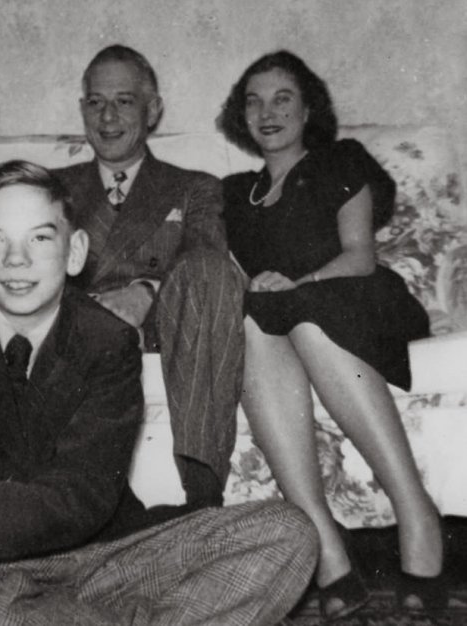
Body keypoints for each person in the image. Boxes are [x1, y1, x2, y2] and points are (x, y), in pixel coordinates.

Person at [0, 160, 319, 624]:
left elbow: (83, 495)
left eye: (39, 237)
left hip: (108, 554)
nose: (17, 260)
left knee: (287, 531)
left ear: (75, 251)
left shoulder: (106, 339)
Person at [217, 50, 444, 619]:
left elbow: (361, 257)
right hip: (290, 318)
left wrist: (296, 284)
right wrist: (270, 289)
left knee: (308, 315)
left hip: (362, 304)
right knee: (250, 320)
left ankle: (416, 513)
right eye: (253, 100)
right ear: (240, 115)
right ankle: (326, 546)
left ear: (309, 107)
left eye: (282, 98)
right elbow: (246, 281)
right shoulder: (234, 195)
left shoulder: (341, 160)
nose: (267, 112)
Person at [53, 45, 244, 507]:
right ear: (82, 110)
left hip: (168, 330)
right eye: (95, 102)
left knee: (211, 269)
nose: (108, 116)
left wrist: (146, 292)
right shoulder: (51, 186)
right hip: (77, 329)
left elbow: (205, 256)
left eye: (124, 101)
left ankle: (201, 491)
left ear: (152, 108)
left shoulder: (193, 186)